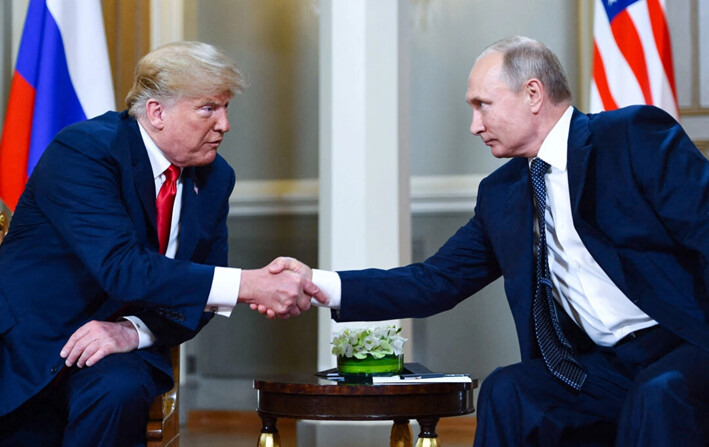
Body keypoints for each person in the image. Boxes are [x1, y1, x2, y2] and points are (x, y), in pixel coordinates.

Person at [269, 36, 709, 446]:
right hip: (601, 366)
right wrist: (317, 284)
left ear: (533, 94)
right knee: (508, 389)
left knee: (659, 394)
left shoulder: (630, 136)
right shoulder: (503, 193)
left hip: (684, 345)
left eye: (483, 105)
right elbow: (434, 280)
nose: (474, 125)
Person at [0, 41, 325, 446]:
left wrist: (133, 332)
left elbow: (203, 292)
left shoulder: (215, 177)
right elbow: (124, 268)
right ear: (156, 112)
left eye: (226, 108)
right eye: (208, 108)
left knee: (117, 391)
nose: (224, 124)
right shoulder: (85, 151)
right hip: (32, 345)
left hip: (117, 352)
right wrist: (251, 285)